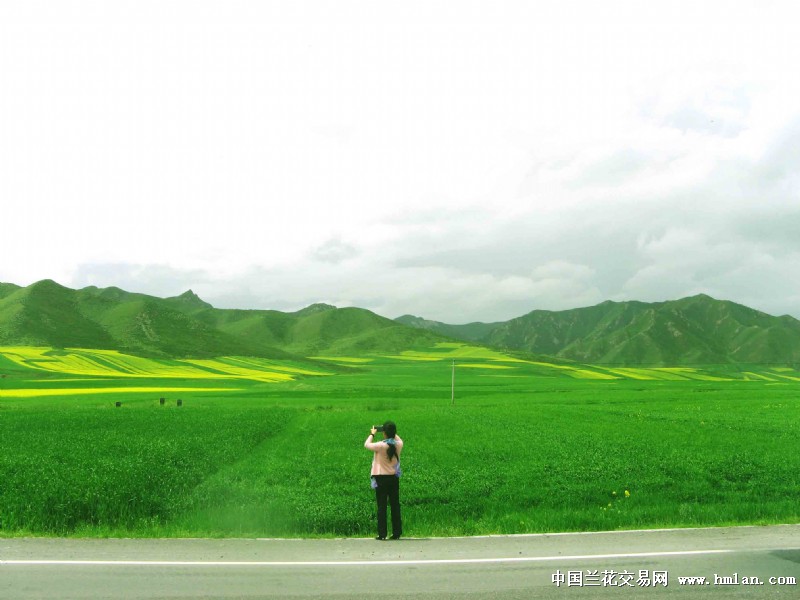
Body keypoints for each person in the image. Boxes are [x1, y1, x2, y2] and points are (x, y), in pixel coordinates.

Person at [364, 420, 403, 540]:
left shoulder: (380, 445)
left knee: (382, 506)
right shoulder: (398, 445)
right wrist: (391, 432)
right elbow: (398, 439)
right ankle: (396, 532)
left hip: (381, 479)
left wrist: (372, 433)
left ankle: (382, 534)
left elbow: (366, 444)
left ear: (384, 433)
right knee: (395, 505)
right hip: (393, 479)